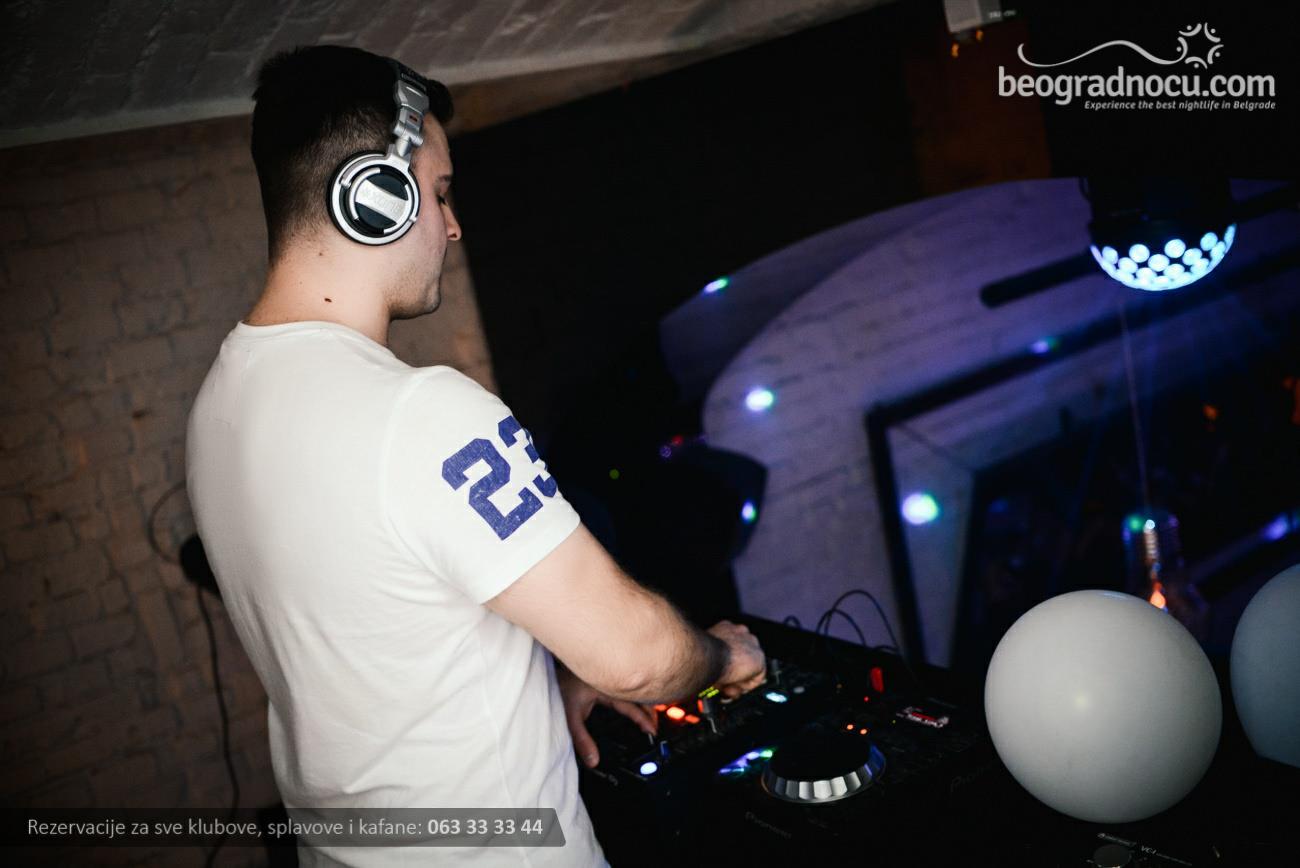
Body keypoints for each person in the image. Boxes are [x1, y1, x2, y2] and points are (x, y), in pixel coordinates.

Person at [185, 45, 766, 868]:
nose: (453, 225)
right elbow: (639, 658)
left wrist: (542, 685)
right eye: (438, 192)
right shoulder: (420, 413)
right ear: (373, 198)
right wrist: (722, 657)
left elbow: (373, 630)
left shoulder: (219, 404)